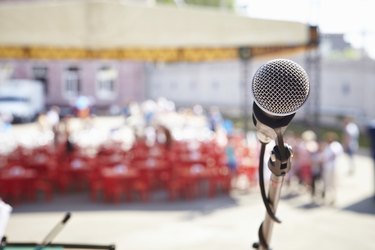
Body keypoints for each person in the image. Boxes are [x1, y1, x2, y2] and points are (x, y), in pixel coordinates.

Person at [321, 132, 343, 205]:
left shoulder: (336, 145)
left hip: (334, 168)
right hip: (327, 168)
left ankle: (333, 198)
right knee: (327, 184)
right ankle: (328, 197)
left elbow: (335, 154)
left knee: (334, 184)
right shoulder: (326, 146)